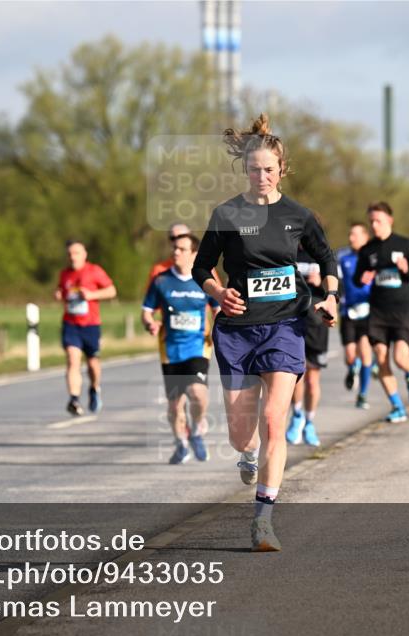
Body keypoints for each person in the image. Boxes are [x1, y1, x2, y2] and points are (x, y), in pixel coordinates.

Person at [192, 114, 338, 552]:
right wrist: (218, 292)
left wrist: (329, 296)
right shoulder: (227, 213)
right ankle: (246, 453)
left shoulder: (298, 215)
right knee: (242, 432)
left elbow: (327, 259)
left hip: (285, 325)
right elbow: (202, 266)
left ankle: (263, 519)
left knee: (276, 418)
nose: (261, 176)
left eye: (269, 169)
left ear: (281, 170)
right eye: (254, 169)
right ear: (246, 170)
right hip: (237, 330)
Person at [142, 233, 219, 464]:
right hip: (171, 349)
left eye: (182, 249)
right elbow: (146, 310)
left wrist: (218, 329)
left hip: (198, 347)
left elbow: (217, 307)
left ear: (194, 254)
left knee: (198, 393)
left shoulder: (205, 280)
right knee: (175, 405)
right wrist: (150, 323)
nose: (176, 252)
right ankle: (180, 444)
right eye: (174, 248)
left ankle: (196, 431)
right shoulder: (161, 280)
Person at [355, 201, 409, 423]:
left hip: (402, 311)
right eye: (371, 221)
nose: (374, 225)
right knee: (382, 359)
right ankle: (397, 406)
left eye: (378, 220)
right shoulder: (368, 250)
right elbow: (357, 278)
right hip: (378, 312)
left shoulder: (405, 244)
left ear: (389, 220)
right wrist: (362, 278)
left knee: (400, 358)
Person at [55, 240, 117, 415]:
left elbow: (112, 290)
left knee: (92, 363)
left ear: (84, 254)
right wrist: (59, 294)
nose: (72, 257)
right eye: (69, 254)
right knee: (72, 359)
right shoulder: (65, 274)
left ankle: (94, 388)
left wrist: (92, 295)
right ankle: (74, 399)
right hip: (70, 323)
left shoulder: (94, 271)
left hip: (90, 324)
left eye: (76, 253)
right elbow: (62, 291)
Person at [285, 239, 331, 445]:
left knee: (313, 380)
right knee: (297, 374)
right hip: (293, 320)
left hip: (317, 324)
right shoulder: (287, 253)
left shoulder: (324, 257)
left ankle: (309, 422)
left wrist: (321, 282)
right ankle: (296, 416)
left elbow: (340, 292)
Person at [336, 222, 374, 409]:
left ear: (365, 237)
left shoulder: (373, 258)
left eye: (356, 235)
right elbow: (336, 280)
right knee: (350, 355)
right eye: (350, 234)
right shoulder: (343, 257)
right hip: (348, 311)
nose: (352, 238)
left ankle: (363, 394)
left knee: (366, 353)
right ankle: (353, 368)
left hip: (368, 311)